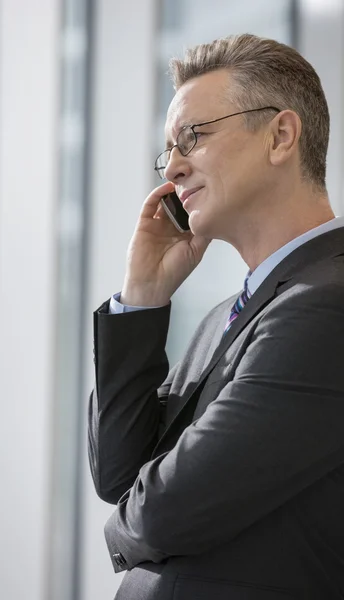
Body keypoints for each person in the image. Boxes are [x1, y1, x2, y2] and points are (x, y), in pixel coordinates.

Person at [87, 33, 344, 599]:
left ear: (280, 136)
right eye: (168, 150)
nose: (172, 169)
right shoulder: (227, 318)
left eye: (194, 138)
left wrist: (124, 526)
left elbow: (162, 513)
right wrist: (143, 295)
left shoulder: (328, 305)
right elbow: (117, 476)